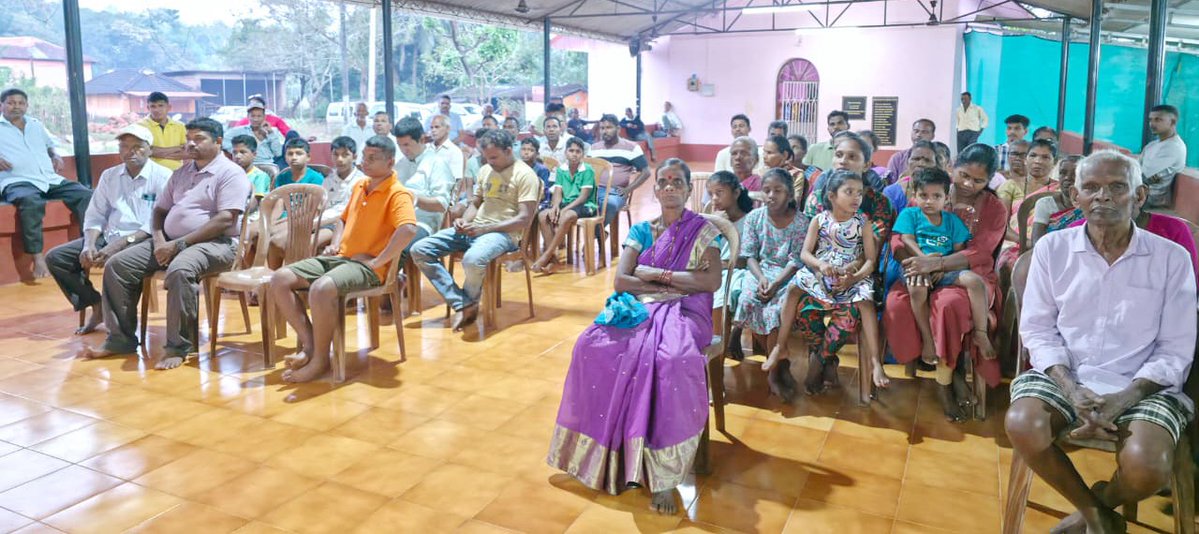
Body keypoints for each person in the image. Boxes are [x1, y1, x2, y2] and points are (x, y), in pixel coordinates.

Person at [1005, 149, 1196, 534]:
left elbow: (1176, 346)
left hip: (1142, 384)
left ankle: (1094, 507)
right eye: (1090, 188)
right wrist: (1071, 388)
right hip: (1066, 374)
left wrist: (1124, 398)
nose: (1102, 197)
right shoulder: (1052, 249)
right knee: (1022, 423)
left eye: (1116, 188)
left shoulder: (1171, 258)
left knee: (1149, 468)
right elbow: (1039, 330)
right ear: (1075, 198)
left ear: (1139, 196)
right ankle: (1097, 518)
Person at [547, 158, 722, 515]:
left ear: (689, 189)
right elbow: (622, 281)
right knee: (590, 345)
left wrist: (657, 274)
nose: (670, 186)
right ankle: (610, 457)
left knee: (668, 359)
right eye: (664, 181)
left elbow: (710, 282)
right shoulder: (642, 230)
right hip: (641, 308)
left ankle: (665, 477)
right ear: (655, 189)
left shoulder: (704, 231)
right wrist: (676, 278)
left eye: (678, 181)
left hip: (688, 314)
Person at [78, 118, 252, 370]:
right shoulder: (182, 173)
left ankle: (179, 346)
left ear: (218, 142)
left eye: (199, 138)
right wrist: (159, 240)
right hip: (170, 241)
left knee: (180, 269)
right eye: (188, 138)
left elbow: (225, 219)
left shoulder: (230, 173)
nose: (191, 143)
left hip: (218, 244)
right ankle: (120, 339)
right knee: (118, 265)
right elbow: (159, 210)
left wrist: (178, 245)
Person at [268, 135, 419, 383]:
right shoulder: (361, 185)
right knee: (280, 278)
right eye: (365, 157)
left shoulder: (397, 193)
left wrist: (379, 261)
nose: (366, 162)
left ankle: (320, 361)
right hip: (342, 257)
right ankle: (311, 347)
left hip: (367, 266)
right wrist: (336, 242)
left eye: (373, 158)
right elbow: (343, 219)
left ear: (390, 162)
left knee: (321, 287)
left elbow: (408, 230)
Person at [884, 144, 1008, 421]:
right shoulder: (932, 192)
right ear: (952, 166)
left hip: (968, 273)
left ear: (990, 180)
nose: (967, 184)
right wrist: (917, 265)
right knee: (895, 302)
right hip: (919, 268)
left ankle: (947, 377)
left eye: (978, 180)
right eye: (963, 174)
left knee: (950, 304)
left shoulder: (994, 207)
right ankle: (943, 366)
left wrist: (938, 264)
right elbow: (900, 237)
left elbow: (979, 251)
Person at [410, 129, 540, 331]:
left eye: (494, 157)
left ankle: (467, 304)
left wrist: (486, 228)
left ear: (508, 151)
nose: (490, 162)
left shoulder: (525, 175)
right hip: (476, 227)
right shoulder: (486, 170)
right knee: (420, 250)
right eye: (487, 157)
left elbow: (524, 219)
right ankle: (464, 303)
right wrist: (463, 220)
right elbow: (476, 203)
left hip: (504, 234)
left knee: (472, 259)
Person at [47, 124, 170, 335]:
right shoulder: (109, 175)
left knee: (116, 263)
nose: (130, 151)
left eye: (138, 146)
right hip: (110, 236)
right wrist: (89, 244)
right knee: (57, 258)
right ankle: (96, 303)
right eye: (124, 146)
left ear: (150, 149)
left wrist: (118, 246)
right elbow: (95, 214)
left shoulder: (164, 177)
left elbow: (156, 223)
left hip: (142, 240)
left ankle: (121, 334)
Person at [773, 169, 878, 396]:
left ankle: (819, 362)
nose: (856, 198)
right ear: (832, 196)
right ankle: (796, 351)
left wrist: (855, 278)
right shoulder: (819, 220)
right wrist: (820, 266)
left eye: (859, 193)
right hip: (822, 277)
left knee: (851, 314)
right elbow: (805, 254)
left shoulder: (863, 222)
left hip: (851, 279)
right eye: (849, 192)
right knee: (803, 306)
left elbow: (870, 260)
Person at [0, 88, 92, 279]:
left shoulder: (35, 125)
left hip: (49, 179)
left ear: (26, 105)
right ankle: (38, 258)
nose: (16, 106)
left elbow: (50, 146)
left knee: (86, 195)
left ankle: (89, 246)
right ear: (2, 105)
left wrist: (55, 155)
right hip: (17, 180)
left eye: (20, 103)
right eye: (11, 102)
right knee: (31, 202)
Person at [733, 169, 806, 399]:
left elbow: (796, 260)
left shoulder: (801, 222)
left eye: (778, 190)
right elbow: (750, 255)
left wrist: (775, 283)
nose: (772, 195)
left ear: (790, 194)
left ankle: (775, 369)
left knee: (777, 309)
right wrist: (763, 279)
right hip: (759, 271)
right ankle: (779, 364)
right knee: (748, 299)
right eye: (767, 190)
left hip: (787, 275)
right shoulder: (755, 217)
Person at [391, 117, 454, 267]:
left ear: (421, 139)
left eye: (407, 144)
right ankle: (388, 286)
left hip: (423, 223)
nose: (403, 150)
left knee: (398, 248)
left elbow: (441, 205)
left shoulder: (436, 163)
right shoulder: (400, 164)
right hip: (398, 220)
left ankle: (391, 286)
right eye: (400, 145)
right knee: (369, 241)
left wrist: (414, 198)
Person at [531, 137, 595, 273]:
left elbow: (583, 197)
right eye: (571, 150)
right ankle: (553, 260)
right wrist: (555, 207)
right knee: (543, 215)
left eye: (578, 151)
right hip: (566, 204)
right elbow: (558, 192)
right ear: (565, 153)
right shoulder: (561, 169)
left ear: (582, 154)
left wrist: (564, 209)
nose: (574, 154)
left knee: (567, 216)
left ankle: (546, 255)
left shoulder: (587, 170)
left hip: (585, 205)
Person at [707, 171, 752, 361]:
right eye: (711, 194)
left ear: (735, 193)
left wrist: (724, 265)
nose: (714, 198)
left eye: (719, 193)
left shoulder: (750, 220)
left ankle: (727, 340)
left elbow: (748, 257)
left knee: (729, 292)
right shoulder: (713, 221)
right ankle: (719, 343)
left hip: (743, 270)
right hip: (720, 268)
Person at [591, 114, 650, 226]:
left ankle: (593, 236)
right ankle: (598, 235)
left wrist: (628, 189)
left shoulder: (631, 147)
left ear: (618, 129)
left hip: (614, 192)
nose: (604, 131)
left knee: (609, 205)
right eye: (602, 128)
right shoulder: (594, 148)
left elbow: (646, 172)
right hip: (593, 191)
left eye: (609, 128)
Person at [1030, 155, 1082, 247]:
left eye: (1074, 174)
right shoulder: (1045, 204)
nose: (1067, 178)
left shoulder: (1090, 205)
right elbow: (1037, 243)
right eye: (1063, 173)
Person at [1141, 104, 1188, 208]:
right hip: (1141, 193)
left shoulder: (1174, 147)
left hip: (1151, 198)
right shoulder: (1152, 145)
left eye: (1158, 120)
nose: (1152, 124)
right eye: (1150, 120)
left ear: (1173, 122)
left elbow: (1145, 177)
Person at [223, 102, 284, 167]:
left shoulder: (271, 132)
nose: (255, 119)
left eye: (259, 116)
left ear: (264, 117)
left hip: (269, 165)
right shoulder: (239, 130)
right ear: (248, 117)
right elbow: (223, 141)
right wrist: (238, 151)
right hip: (247, 165)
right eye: (253, 116)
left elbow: (278, 153)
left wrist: (271, 133)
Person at [139, 91, 187, 171]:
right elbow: (145, 151)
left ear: (169, 107)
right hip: (151, 173)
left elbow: (186, 151)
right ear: (148, 108)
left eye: (161, 106)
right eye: (153, 106)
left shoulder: (180, 126)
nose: (157, 110)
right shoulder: (140, 126)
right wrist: (177, 148)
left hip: (177, 172)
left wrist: (157, 152)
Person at [425, 114, 464, 184]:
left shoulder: (454, 151)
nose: (433, 130)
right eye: (431, 128)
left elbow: (457, 180)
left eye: (437, 127)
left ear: (447, 129)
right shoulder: (426, 149)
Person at [995, 140, 1032, 208]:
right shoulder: (998, 178)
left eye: (1023, 155)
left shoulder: (1037, 182)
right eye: (1014, 154)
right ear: (1008, 156)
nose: (1018, 158)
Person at [520, 137, 553, 211]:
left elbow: (544, 191)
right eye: (523, 149)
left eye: (531, 150)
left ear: (537, 154)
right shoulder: (517, 167)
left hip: (537, 200)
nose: (526, 152)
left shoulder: (542, 170)